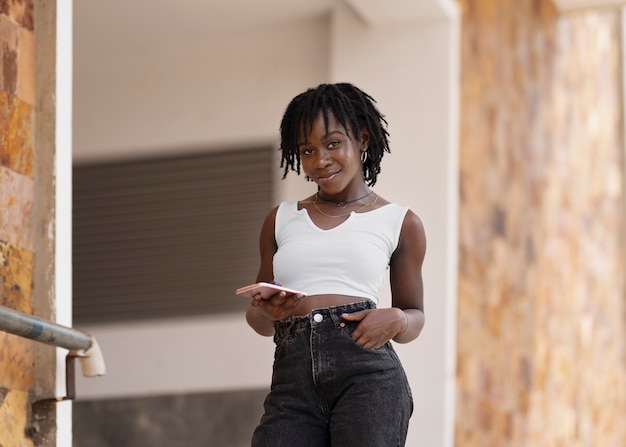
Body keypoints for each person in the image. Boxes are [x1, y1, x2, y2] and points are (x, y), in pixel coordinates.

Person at [246, 82, 426, 447]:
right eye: (307, 150)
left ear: (361, 140)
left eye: (332, 144)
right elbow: (258, 320)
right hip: (291, 383)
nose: (319, 161)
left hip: (369, 379)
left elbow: (415, 315)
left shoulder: (401, 221)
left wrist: (399, 319)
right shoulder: (279, 220)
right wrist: (268, 313)